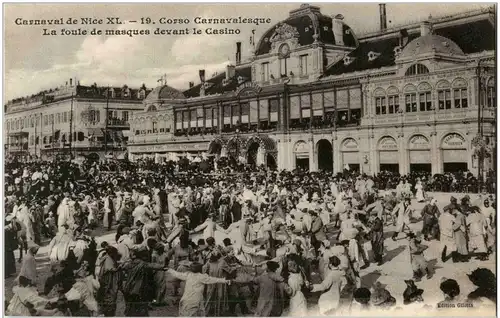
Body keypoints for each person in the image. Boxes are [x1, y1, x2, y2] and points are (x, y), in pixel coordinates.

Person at [96, 245, 122, 316]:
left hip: (105, 280)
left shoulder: (106, 257)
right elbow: (110, 269)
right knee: (109, 296)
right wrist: (118, 268)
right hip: (108, 281)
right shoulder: (108, 259)